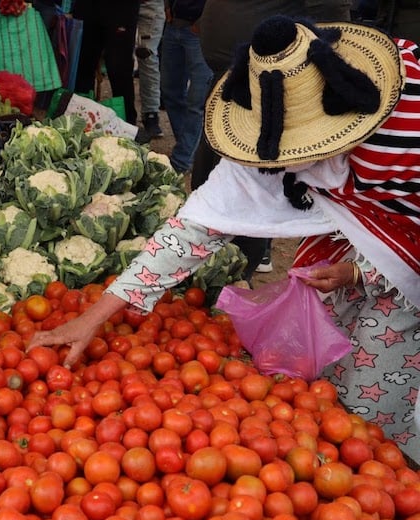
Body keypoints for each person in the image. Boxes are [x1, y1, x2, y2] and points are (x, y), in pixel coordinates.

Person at [30, 15, 420, 463]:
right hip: (346, 239)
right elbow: (195, 229)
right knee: (321, 380)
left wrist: (363, 271)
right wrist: (95, 316)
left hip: (405, 258)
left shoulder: (407, 124)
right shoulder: (268, 117)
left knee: (375, 409)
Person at [191, 0, 352, 279]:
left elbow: (333, 24)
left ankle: (239, 273)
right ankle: (226, 274)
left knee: (247, 195)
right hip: (233, 88)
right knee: (211, 190)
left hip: (272, 97)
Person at [159, 0, 212, 174]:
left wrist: (203, 21)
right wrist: (167, 6)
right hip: (174, 25)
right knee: (170, 90)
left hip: (199, 31)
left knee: (197, 101)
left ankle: (182, 158)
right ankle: (189, 149)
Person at [72, 0, 141, 126]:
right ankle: (81, 123)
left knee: (118, 68)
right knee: (83, 65)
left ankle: (126, 126)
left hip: (122, 10)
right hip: (87, 8)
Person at [134, 0, 166, 143]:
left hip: (150, 5)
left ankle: (151, 114)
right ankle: (124, 110)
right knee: (118, 59)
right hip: (119, 6)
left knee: (147, 56)